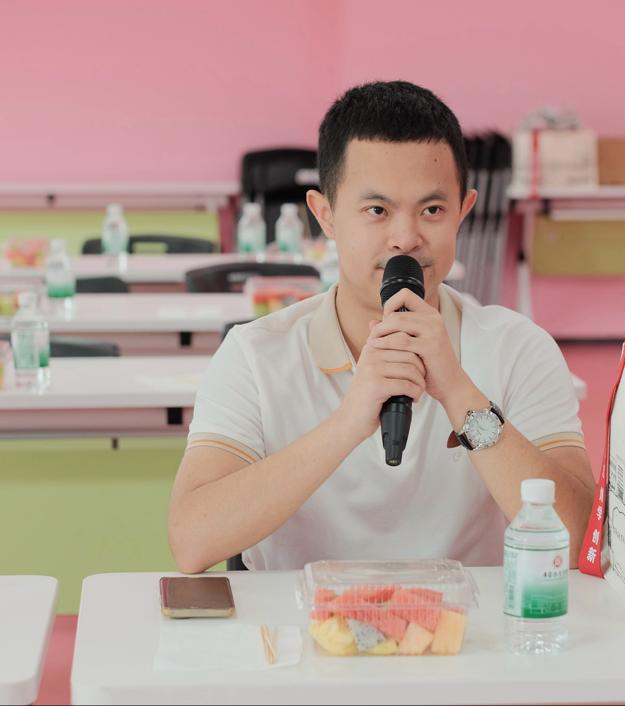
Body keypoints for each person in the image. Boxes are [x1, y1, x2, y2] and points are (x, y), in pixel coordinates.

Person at [168, 80, 594, 574]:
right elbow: (192, 541)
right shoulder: (255, 354)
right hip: (302, 623)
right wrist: (349, 422)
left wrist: (459, 392)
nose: (406, 238)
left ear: (463, 211)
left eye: (432, 210)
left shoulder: (519, 348)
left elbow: (578, 542)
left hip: (469, 622)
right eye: (377, 211)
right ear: (325, 215)